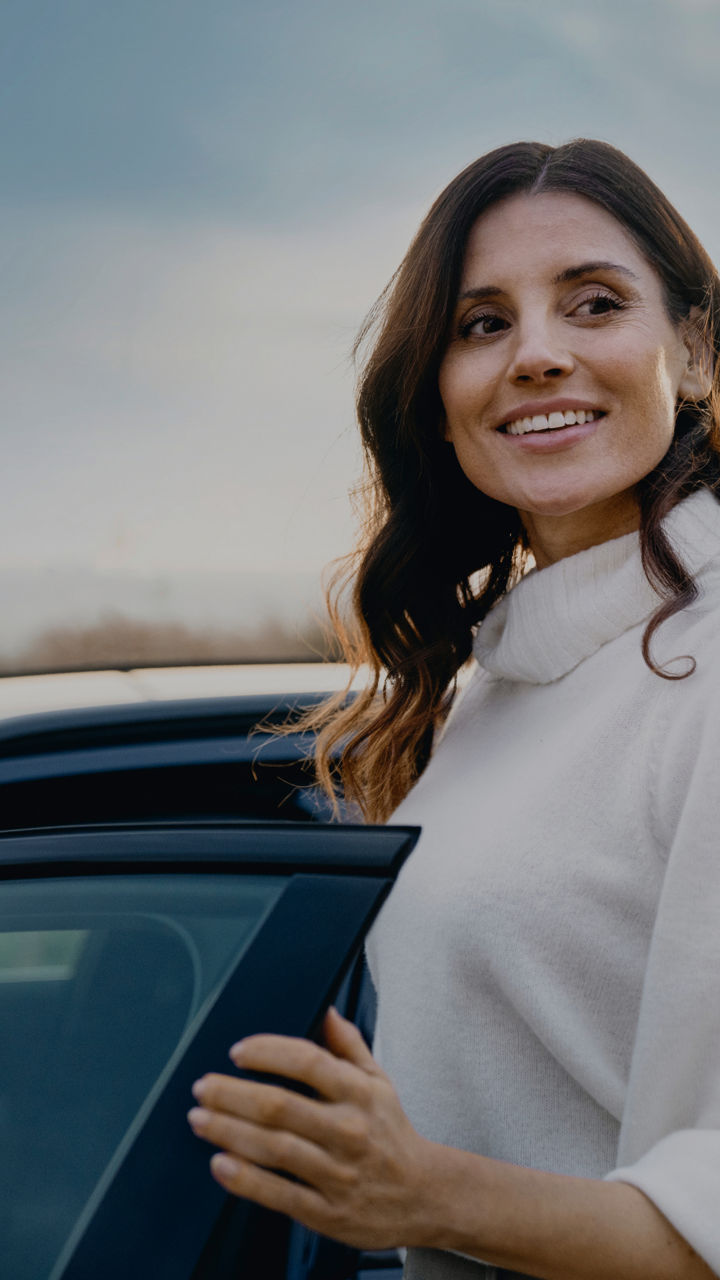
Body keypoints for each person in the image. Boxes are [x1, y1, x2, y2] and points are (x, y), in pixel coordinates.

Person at [187, 140, 720, 1279]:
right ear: (435, 396)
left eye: (594, 302)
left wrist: (425, 1192)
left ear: (694, 348)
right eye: (482, 324)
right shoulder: (503, 678)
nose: (537, 355)